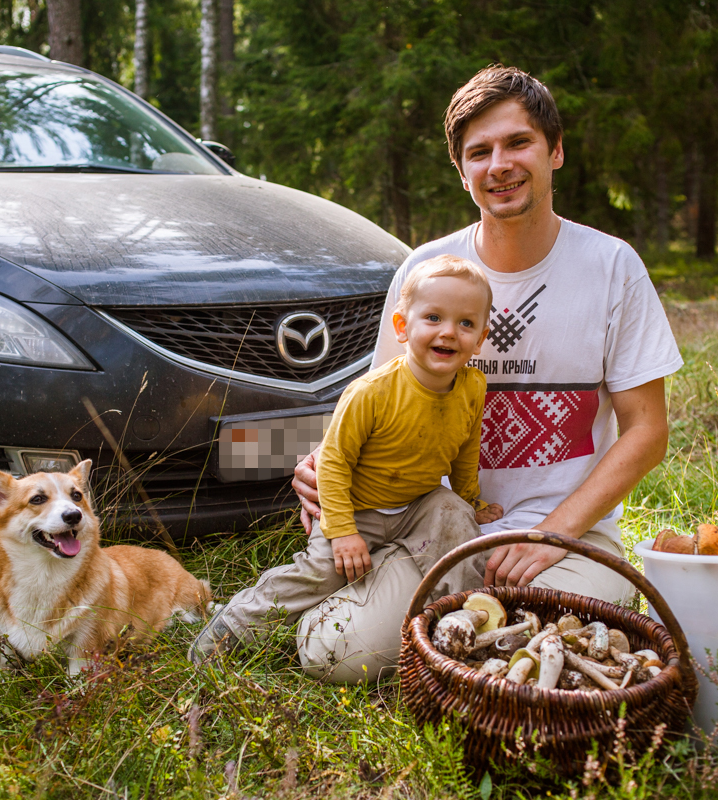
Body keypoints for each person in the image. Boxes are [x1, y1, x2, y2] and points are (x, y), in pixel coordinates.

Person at [289, 65, 683, 683]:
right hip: (436, 525)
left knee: (561, 648)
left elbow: (646, 431)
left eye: (517, 143)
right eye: (479, 152)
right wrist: (323, 462)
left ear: (555, 151)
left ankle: (460, 641)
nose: (498, 164)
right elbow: (377, 405)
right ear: (462, 169)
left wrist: (550, 535)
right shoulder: (425, 270)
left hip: (567, 535)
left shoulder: (612, 267)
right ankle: (437, 628)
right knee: (331, 652)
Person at [188, 255, 505, 664]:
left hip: (419, 502)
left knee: (460, 525)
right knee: (323, 570)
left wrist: (469, 499)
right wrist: (342, 531)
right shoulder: (371, 392)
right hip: (357, 507)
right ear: (402, 327)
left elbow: (465, 448)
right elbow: (334, 463)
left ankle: (459, 623)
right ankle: (236, 624)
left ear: (480, 338)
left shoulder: (472, 386)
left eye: (465, 323)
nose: (449, 332)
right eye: (433, 318)